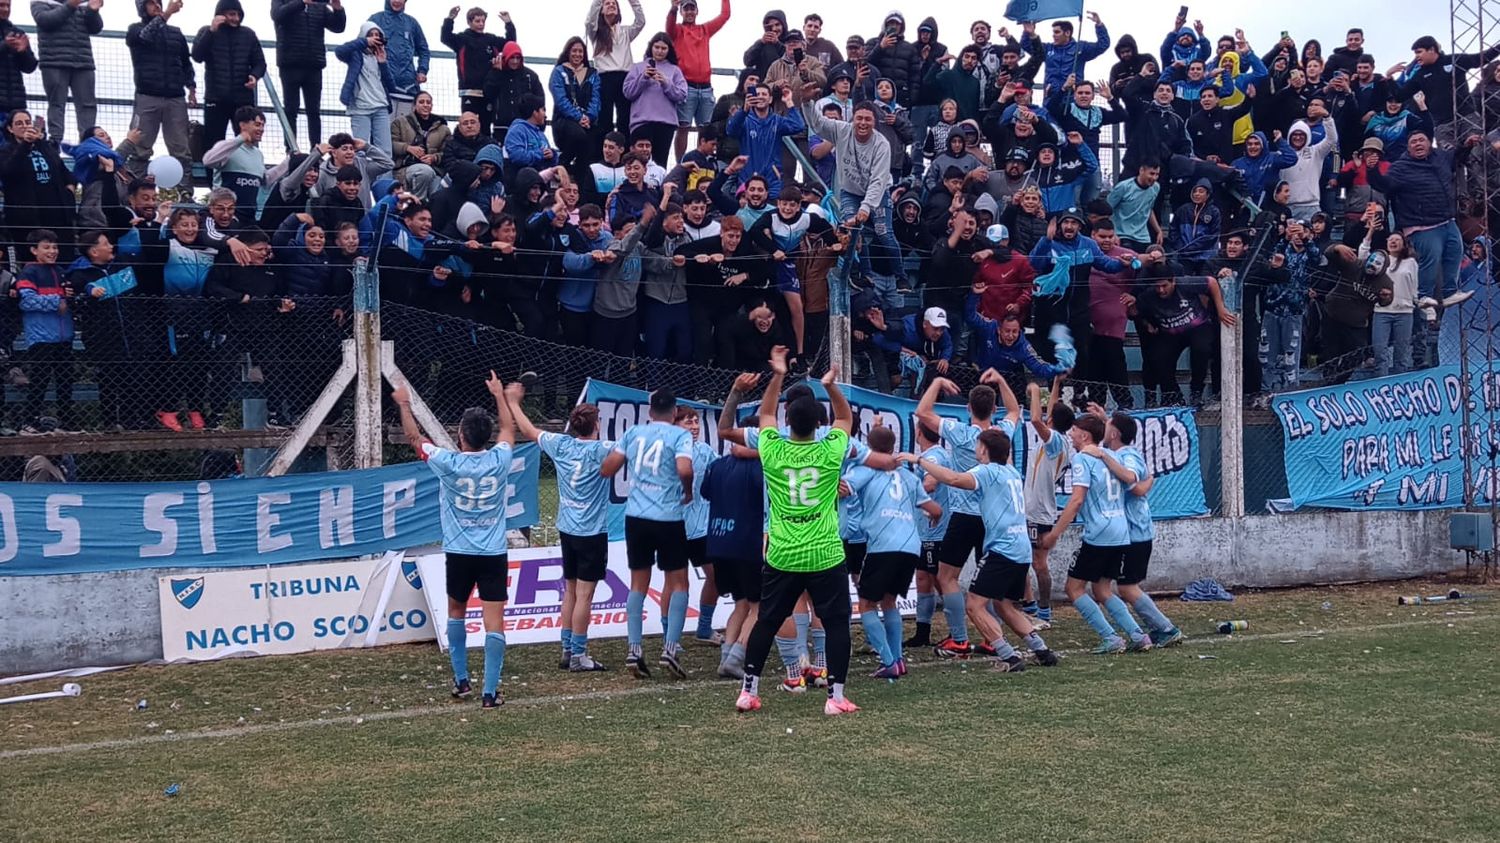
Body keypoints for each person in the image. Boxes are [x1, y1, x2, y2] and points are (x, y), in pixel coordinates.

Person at [735, 351, 859, 715]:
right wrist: (830, 386)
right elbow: (846, 418)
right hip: (823, 552)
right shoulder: (829, 451)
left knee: (768, 620)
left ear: (787, 422)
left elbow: (766, 413)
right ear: (817, 424)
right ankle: (835, 698)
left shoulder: (771, 450)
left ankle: (748, 691)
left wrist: (777, 375)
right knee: (837, 624)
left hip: (783, 551)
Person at [393, 372, 515, 709]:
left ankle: (462, 681)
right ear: (487, 437)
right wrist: (499, 396)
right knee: (494, 621)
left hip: (460, 552)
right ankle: (490, 693)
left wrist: (405, 404)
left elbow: (414, 438)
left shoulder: (448, 463)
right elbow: (509, 430)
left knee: (456, 611)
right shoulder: (499, 459)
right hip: (492, 552)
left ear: (460, 435)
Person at [903, 424, 1060, 672]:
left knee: (974, 605)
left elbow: (953, 478)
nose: (975, 447)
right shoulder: (1011, 471)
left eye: (978, 444)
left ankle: (1009, 657)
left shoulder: (988, 472)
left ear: (984, 450)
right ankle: (1041, 649)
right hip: (1020, 548)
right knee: (1003, 605)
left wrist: (920, 461)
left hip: (1003, 549)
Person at [913, 375, 1020, 658]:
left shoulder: (961, 433)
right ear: (993, 408)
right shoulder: (1001, 433)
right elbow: (1015, 411)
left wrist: (936, 382)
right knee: (990, 583)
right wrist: (1000, 380)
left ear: (968, 408)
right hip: (990, 519)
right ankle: (990, 637)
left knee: (947, 576)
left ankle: (959, 639)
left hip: (963, 516)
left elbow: (922, 413)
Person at [508, 385, 613, 672]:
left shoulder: (561, 445)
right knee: (584, 595)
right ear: (596, 425)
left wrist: (514, 403)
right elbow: (629, 450)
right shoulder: (602, 449)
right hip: (591, 532)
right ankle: (579, 654)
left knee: (570, 590)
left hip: (566, 528)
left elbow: (529, 431)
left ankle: (567, 647)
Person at [600, 388, 695, 679]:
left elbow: (608, 469)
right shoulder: (679, 436)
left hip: (636, 516)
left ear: (649, 410)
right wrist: (687, 490)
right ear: (675, 411)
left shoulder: (634, 434)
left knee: (638, 584)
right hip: (667, 516)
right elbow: (684, 468)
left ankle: (634, 647)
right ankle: (670, 647)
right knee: (679, 582)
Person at [1040, 414, 1153, 654]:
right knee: (1102, 589)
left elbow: (1077, 500)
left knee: (1074, 588)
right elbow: (1133, 481)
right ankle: (1137, 635)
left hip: (1099, 532)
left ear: (1084, 435)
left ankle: (1110, 637)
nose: (1070, 434)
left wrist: (1055, 533)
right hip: (1121, 531)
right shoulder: (1112, 456)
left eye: (1074, 430)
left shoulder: (1082, 458)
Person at [1368, 128, 1477, 368]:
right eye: (1413, 141)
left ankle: (1449, 292)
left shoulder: (1441, 157)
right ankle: (1424, 298)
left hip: (1446, 219)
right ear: (1408, 147)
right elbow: (1383, 184)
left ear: (1429, 143)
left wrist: (1467, 144)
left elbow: (1457, 156)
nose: (1418, 144)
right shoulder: (1400, 167)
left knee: (1455, 252)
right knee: (1431, 258)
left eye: (1421, 140)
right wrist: (1373, 168)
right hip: (1421, 226)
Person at [1082, 406, 1185, 647]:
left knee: (1127, 587)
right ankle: (1146, 630)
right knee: (1106, 586)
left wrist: (1104, 456)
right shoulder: (1120, 451)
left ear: (1115, 434)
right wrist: (1105, 419)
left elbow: (1135, 484)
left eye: (1108, 426)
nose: (1104, 429)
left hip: (1135, 533)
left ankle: (1165, 628)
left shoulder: (1126, 456)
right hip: (1127, 533)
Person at [844, 425, 942, 678]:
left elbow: (843, 488)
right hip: (910, 546)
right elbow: (936, 510)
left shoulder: (865, 470)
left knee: (866, 603)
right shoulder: (908, 476)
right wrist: (930, 518)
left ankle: (888, 660)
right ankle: (898, 659)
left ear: (870, 449)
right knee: (889, 601)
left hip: (883, 545)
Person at [701, 405, 764, 679]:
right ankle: (737, 655)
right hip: (747, 544)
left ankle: (726, 654)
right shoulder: (761, 469)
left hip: (718, 541)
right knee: (760, 606)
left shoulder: (716, 465)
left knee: (741, 603)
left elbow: (705, 493)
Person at [124, 0, 193, 181]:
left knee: (181, 150)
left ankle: (185, 193)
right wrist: (167, 13)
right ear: (142, 8)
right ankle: (134, 189)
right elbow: (145, 37)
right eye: (151, 3)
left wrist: (191, 86)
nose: (157, 5)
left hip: (175, 97)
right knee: (139, 148)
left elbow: (185, 62)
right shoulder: (134, 29)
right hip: (147, 95)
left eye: (158, 2)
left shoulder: (176, 34)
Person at [16, 229, 75, 433]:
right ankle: (29, 422)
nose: (52, 251)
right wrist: (55, 302)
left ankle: (66, 422)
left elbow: (69, 298)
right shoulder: (29, 272)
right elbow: (26, 301)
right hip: (41, 337)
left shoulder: (61, 271)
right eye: (47, 247)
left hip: (64, 336)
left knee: (65, 380)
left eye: (55, 247)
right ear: (34, 250)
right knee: (40, 380)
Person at [270, 0, 345, 150]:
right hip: (290, 63)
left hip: (314, 64)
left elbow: (338, 27)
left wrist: (338, 8)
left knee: (314, 111)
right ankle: (291, 150)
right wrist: (301, 2)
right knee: (291, 109)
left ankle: (315, 150)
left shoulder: (319, 6)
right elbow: (278, 15)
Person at [191, 0, 266, 143]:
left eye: (238, 14)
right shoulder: (206, 31)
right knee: (213, 143)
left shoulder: (248, 34)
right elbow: (197, 56)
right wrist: (211, 31)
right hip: (215, 98)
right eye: (232, 14)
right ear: (221, 14)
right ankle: (212, 167)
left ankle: (247, 166)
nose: (236, 18)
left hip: (243, 100)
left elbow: (260, 62)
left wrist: (255, 76)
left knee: (247, 141)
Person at [666, 0, 731, 163]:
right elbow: (669, 27)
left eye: (692, 8)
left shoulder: (705, 29)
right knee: (683, 127)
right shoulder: (678, 31)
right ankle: (681, 164)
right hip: (686, 86)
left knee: (705, 129)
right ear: (681, 12)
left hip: (706, 87)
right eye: (685, 9)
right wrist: (673, 8)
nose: (689, 12)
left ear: (697, 11)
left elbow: (725, 15)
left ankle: (702, 162)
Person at [30, 0, 101, 142]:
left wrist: (93, 11)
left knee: (87, 105)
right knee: (56, 104)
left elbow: (95, 28)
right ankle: (55, 142)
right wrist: (70, 5)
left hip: (82, 61)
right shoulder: (41, 1)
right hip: (54, 61)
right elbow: (45, 21)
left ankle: (88, 142)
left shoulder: (82, 4)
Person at [440, 6, 514, 138]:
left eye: (483, 21)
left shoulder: (491, 40)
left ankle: (485, 155)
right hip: (469, 91)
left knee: (485, 126)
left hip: (488, 91)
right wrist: (450, 19)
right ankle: (467, 154)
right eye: (477, 21)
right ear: (469, 22)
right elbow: (445, 37)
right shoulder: (462, 39)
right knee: (469, 125)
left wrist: (508, 23)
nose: (480, 24)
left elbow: (510, 43)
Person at [624, 33, 688, 168]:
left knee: (660, 163)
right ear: (651, 47)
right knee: (638, 162)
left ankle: (658, 189)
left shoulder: (674, 70)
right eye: (657, 47)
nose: (659, 51)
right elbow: (628, 92)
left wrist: (666, 83)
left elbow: (682, 95)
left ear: (669, 50)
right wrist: (643, 78)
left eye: (663, 48)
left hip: (665, 123)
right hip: (641, 122)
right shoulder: (638, 67)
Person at [587, 0, 648, 138]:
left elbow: (640, 21)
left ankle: (624, 152)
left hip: (625, 77)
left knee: (625, 117)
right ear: (601, 10)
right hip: (604, 77)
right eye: (607, 3)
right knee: (604, 117)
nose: (611, 5)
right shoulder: (596, 32)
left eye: (614, 3)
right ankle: (603, 153)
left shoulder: (625, 32)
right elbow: (590, 20)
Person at [336, 22, 396, 154]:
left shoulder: (382, 55)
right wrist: (364, 42)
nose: (375, 38)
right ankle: (360, 175)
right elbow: (339, 51)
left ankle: (385, 176)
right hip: (360, 108)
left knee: (385, 150)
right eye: (371, 35)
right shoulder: (355, 55)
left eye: (377, 35)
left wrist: (383, 63)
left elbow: (392, 86)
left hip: (381, 106)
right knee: (360, 149)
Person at [368, 0, 430, 122]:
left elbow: (424, 50)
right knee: (382, 133)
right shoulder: (376, 19)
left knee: (405, 133)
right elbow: (363, 46)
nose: (397, 1)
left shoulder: (412, 23)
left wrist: (422, 70)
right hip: (382, 88)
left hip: (408, 88)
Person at [551, 37, 603, 173]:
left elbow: (596, 99)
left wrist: (589, 117)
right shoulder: (559, 72)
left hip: (588, 121)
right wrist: (578, 117)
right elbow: (560, 100)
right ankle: (562, 165)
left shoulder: (593, 74)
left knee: (593, 144)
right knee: (578, 136)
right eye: (574, 51)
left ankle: (582, 181)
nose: (577, 54)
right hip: (564, 121)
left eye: (581, 51)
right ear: (568, 52)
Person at [390, 92, 449, 200]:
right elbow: (390, 144)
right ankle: (417, 205)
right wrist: (407, 148)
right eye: (421, 102)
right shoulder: (400, 122)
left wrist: (434, 157)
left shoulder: (443, 128)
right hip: (404, 168)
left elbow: (448, 152)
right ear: (414, 105)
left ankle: (430, 213)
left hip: (434, 169)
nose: (425, 105)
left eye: (428, 102)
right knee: (424, 171)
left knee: (438, 189)